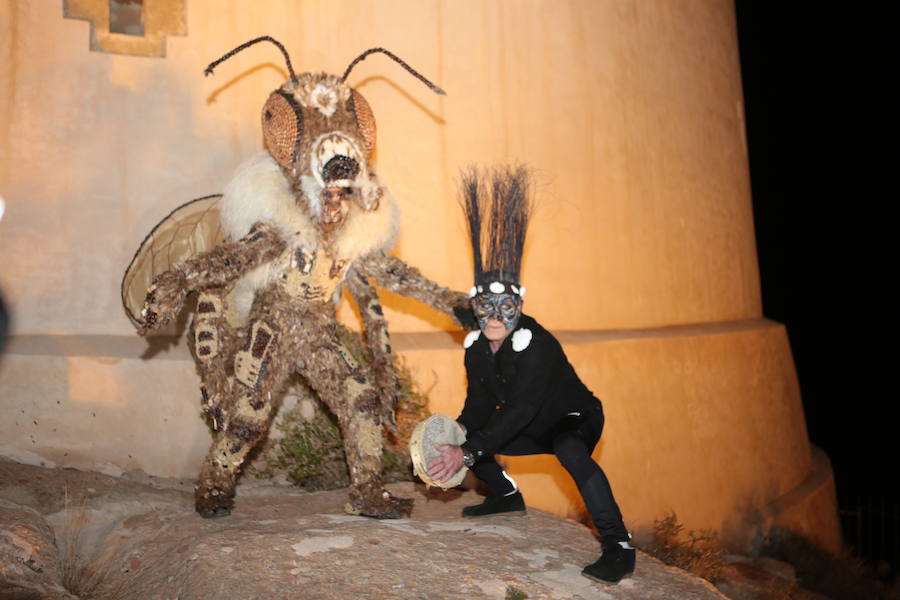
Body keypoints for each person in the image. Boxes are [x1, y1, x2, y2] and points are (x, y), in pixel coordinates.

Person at [427, 166, 635, 584]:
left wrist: (466, 454)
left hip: (573, 419)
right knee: (469, 430)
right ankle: (505, 495)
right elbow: (482, 404)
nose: (496, 317)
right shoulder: (477, 348)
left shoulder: (536, 345)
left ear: (520, 307)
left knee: (570, 451)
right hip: (526, 423)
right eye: (486, 306)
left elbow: (520, 409)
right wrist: (457, 433)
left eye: (506, 308)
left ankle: (619, 545)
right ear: (476, 305)